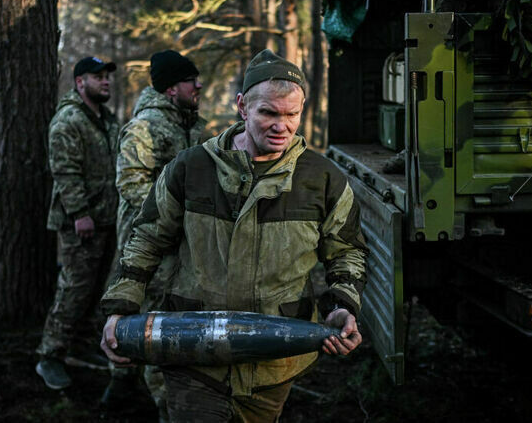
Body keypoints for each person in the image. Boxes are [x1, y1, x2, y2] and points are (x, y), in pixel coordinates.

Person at [100, 49, 369, 423]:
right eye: (269, 113)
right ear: (242, 107)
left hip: (274, 365)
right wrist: (120, 308)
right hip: (191, 355)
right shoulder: (191, 168)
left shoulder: (321, 179)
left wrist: (343, 304)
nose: (282, 126)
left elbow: (347, 253)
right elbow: (145, 239)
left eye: (292, 114)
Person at [100, 50, 206, 416]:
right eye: (192, 80)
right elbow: (130, 183)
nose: (199, 85)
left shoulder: (189, 123)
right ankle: (161, 401)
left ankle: (124, 384)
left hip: (180, 240)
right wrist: (177, 209)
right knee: (153, 317)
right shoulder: (145, 126)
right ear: (172, 88)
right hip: (148, 241)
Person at [35, 56, 120, 390]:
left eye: (107, 77)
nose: (105, 82)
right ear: (79, 82)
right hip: (80, 222)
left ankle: (82, 346)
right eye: (97, 77)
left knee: (96, 290)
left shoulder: (105, 118)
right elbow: (65, 171)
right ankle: (49, 356)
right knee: (74, 290)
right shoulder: (69, 119)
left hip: (105, 217)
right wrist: (80, 213)